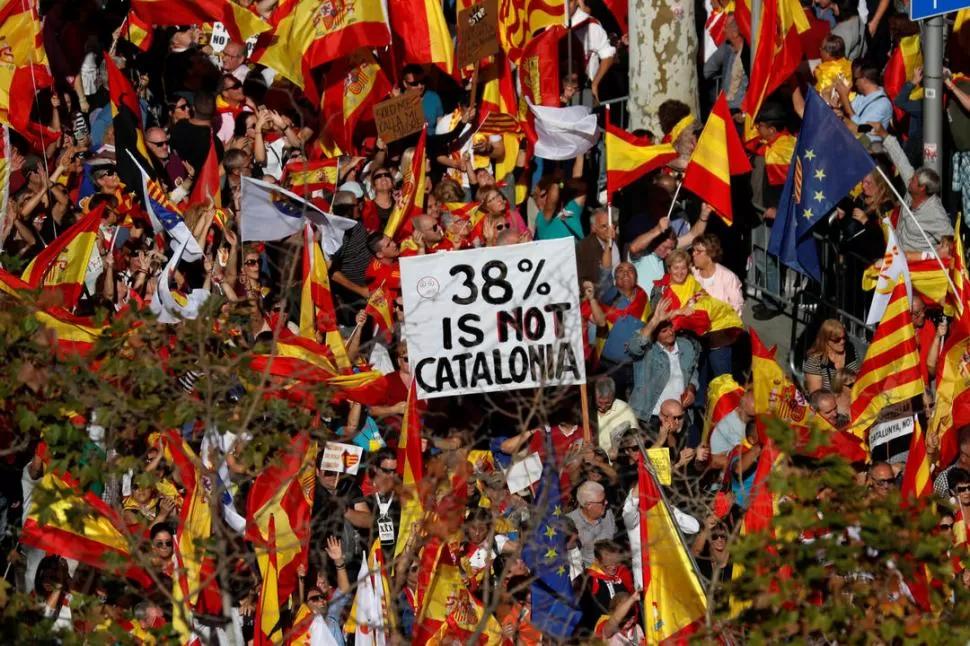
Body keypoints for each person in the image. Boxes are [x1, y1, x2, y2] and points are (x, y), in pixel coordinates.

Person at [870, 122, 954, 253]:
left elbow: (950, 241)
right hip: (898, 258)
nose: (909, 179)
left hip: (917, 267)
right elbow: (901, 160)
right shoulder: (911, 191)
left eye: (914, 180)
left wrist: (929, 255)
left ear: (922, 188)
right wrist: (884, 134)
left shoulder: (934, 212)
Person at [625, 299, 701, 424]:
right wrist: (654, 321)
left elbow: (693, 371)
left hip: (679, 417)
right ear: (655, 334)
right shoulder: (648, 350)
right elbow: (634, 346)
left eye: (670, 327)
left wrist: (692, 389)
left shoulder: (686, 346)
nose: (670, 332)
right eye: (664, 331)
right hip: (650, 417)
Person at [690, 233, 744, 317]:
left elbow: (736, 308)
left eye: (698, 251)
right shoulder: (691, 274)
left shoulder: (728, 277)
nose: (693, 254)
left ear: (711, 254)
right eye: (693, 250)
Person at [566, 481, 617, 568]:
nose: (606, 502)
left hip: (613, 569)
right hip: (588, 575)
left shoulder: (608, 513)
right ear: (588, 505)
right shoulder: (569, 523)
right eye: (602, 501)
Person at [702, 15, 748, 111]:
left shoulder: (750, 53)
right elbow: (707, 70)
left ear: (735, 33)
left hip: (742, 110)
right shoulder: (726, 49)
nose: (723, 31)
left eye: (726, 27)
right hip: (726, 108)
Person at [802, 320, 860, 392]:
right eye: (837, 339)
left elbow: (859, 374)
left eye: (844, 337)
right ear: (826, 340)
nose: (842, 342)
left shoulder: (850, 348)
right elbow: (817, 396)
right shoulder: (815, 362)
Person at [837, 64, 892, 140]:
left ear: (864, 80)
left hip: (867, 147)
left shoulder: (882, 104)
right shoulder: (864, 95)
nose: (854, 83)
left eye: (856, 79)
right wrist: (838, 97)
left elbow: (859, 128)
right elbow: (849, 109)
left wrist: (844, 97)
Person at [594, 377, 639, 459]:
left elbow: (635, 438)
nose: (603, 407)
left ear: (613, 396)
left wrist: (620, 445)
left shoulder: (624, 409)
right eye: (600, 402)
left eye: (607, 403)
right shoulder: (587, 409)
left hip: (619, 459)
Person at [401, 64, 444, 129]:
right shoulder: (398, 104)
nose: (420, 86)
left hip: (432, 138)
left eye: (422, 81)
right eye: (415, 83)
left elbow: (440, 123)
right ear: (405, 83)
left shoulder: (433, 97)